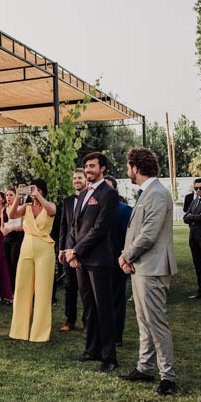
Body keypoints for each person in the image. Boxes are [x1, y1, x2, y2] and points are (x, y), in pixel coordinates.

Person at [118, 148, 177, 396]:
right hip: (141, 267)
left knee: (156, 322)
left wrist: (125, 256)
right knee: (143, 320)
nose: (127, 170)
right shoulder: (147, 193)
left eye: (128, 166)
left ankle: (168, 377)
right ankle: (145, 367)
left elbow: (148, 235)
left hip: (152, 267)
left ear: (136, 167)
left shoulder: (158, 193)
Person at [65, 152, 120, 373]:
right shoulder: (84, 192)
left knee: (103, 308)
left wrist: (76, 250)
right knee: (89, 307)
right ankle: (92, 350)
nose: (88, 170)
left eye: (92, 166)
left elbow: (99, 229)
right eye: (86, 166)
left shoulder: (108, 194)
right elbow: (75, 225)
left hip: (98, 259)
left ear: (102, 168)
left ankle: (109, 357)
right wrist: (72, 251)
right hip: (80, 260)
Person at [8, 180, 57, 343]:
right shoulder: (27, 207)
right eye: (32, 189)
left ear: (43, 191)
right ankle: (19, 330)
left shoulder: (49, 205)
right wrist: (18, 196)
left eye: (38, 190)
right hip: (26, 249)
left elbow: (52, 211)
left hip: (45, 250)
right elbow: (11, 215)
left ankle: (40, 333)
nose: (34, 192)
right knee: (22, 288)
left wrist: (38, 196)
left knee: (43, 292)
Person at [56, 169, 87, 332]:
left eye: (80, 178)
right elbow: (63, 226)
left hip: (85, 249)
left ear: (86, 180)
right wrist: (62, 249)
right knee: (69, 287)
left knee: (86, 289)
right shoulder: (67, 201)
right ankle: (70, 320)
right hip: (68, 250)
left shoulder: (91, 200)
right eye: (74, 178)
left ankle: (88, 322)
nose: (77, 180)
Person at [105, 175, 133, 346]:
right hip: (98, 262)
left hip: (117, 261)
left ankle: (116, 337)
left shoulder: (124, 210)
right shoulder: (94, 209)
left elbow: (129, 238)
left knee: (116, 299)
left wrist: (123, 258)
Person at [2, 188, 24, 286]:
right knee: (7, 264)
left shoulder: (21, 209)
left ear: (16, 196)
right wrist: (2, 230)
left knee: (14, 263)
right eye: (7, 195)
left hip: (17, 239)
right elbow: (2, 225)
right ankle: (9, 290)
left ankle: (16, 289)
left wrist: (12, 228)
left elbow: (25, 227)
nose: (8, 197)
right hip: (6, 239)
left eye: (11, 195)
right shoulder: (4, 209)